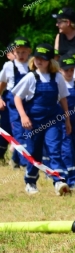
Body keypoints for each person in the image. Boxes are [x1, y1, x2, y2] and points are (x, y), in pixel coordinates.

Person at [12, 44, 71, 196]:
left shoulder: (57, 77)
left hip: (53, 121)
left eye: (43, 59)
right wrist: (24, 116)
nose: (39, 61)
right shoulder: (31, 77)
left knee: (54, 149)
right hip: (34, 122)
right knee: (34, 153)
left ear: (50, 61)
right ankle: (30, 181)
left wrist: (67, 120)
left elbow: (63, 99)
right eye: (37, 58)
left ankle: (58, 181)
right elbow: (17, 97)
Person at [0, 38, 32, 169]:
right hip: (13, 103)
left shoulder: (32, 65)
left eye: (24, 52)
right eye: (18, 52)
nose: (21, 55)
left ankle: (15, 158)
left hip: (29, 103)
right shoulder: (9, 66)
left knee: (29, 132)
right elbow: (1, 84)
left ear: (29, 52)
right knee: (18, 132)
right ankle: (25, 162)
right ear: (13, 52)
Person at [59, 50, 75, 190]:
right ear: (60, 70)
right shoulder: (57, 85)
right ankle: (73, 180)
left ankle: (61, 170)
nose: (69, 73)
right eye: (66, 70)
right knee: (67, 151)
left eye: (72, 70)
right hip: (62, 124)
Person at [0, 43, 18, 165]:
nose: (18, 55)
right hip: (8, 102)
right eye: (15, 52)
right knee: (5, 129)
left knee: (20, 132)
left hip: (23, 104)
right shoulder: (8, 67)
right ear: (8, 55)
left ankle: (17, 159)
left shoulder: (29, 67)